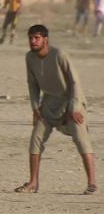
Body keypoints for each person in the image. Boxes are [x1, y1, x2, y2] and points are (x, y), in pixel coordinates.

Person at [15, 25, 97, 195]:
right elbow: (32, 83)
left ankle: (92, 183)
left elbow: (75, 83)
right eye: (31, 38)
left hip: (71, 101)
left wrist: (74, 108)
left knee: (81, 139)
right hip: (48, 104)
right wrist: (35, 107)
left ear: (45, 39)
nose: (33, 41)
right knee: (35, 139)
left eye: (37, 38)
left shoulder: (59, 55)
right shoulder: (30, 57)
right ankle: (33, 183)